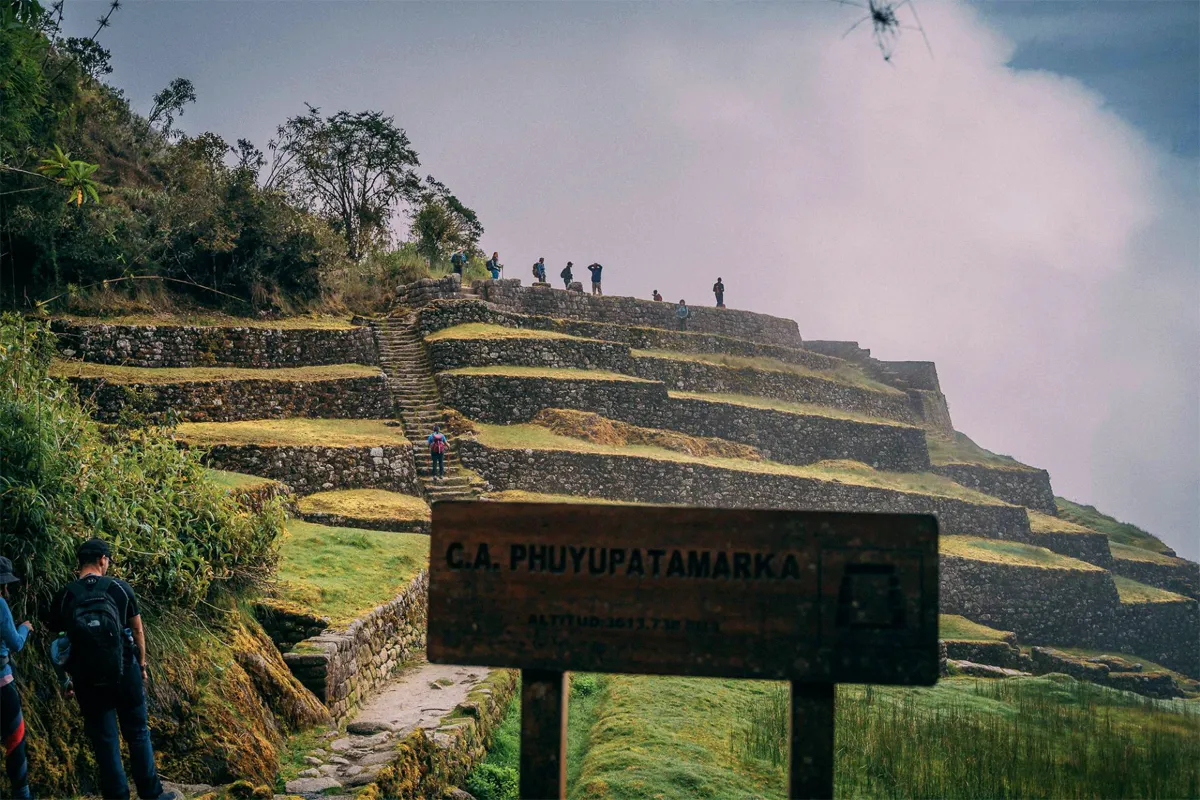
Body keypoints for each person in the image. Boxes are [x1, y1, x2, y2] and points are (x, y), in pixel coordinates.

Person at [51, 538, 176, 800]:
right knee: (138, 733)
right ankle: (151, 794)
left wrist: (66, 680)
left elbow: (59, 644)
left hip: (87, 679)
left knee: (105, 740)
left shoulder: (65, 596)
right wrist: (141, 665)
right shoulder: (119, 588)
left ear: (80, 563)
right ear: (102, 560)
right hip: (125, 671)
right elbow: (138, 630)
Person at [0, 557, 32, 800]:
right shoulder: (0, 604)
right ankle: (22, 796)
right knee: (15, 741)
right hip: (2, 686)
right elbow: (16, 644)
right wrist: (25, 628)